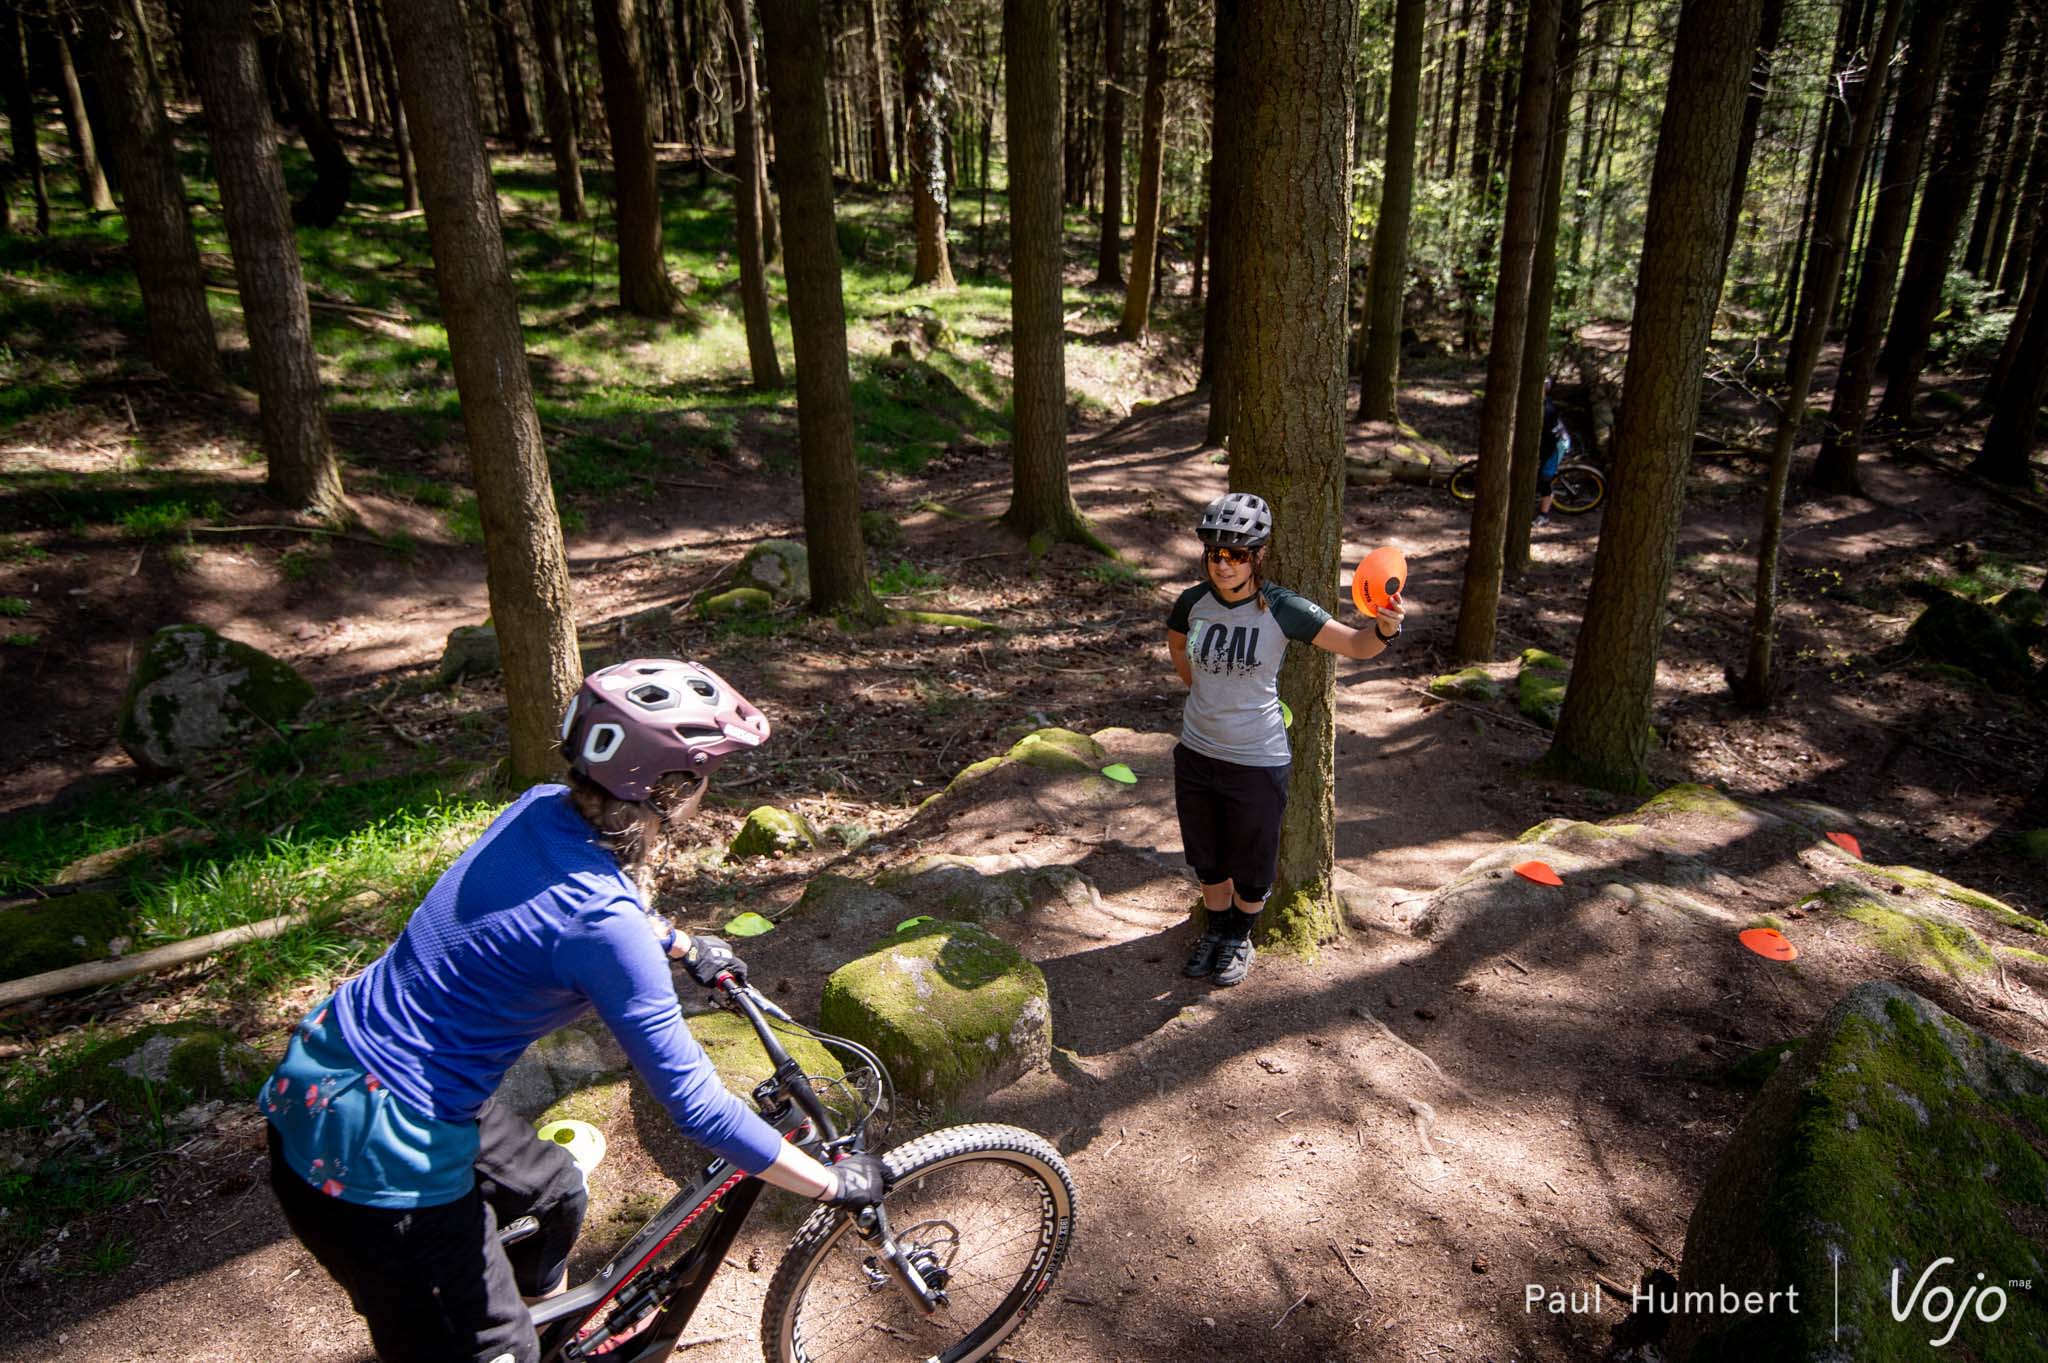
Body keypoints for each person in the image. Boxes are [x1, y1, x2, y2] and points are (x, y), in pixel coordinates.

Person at [256, 659, 888, 1363]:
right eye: (704, 778)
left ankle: (541, 1328)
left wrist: (678, 942)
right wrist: (830, 1182)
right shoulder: (606, 924)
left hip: (328, 1063)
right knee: (494, 1351)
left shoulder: (536, 809)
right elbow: (699, 1109)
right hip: (381, 1153)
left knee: (552, 1196)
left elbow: (555, 902)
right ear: (669, 790)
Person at [1168, 493, 1406, 987]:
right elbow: (1178, 644)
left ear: (1257, 556)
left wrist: (1384, 628)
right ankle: (1216, 931)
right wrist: (1205, 690)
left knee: (1252, 864)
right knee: (1207, 859)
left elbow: (1355, 645)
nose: (1224, 564)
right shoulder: (1192, 603)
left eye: (1236, 554)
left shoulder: (1281, 607)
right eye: (1216, 553)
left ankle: (1239, 936)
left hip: (1257, 759)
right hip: (1195, 752)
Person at [1534, 384, 1572, 526]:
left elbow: (1545, 437)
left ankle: (1544, 515)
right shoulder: (1540, 403)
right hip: (1549, 443)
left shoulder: (1546, 410)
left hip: (1556, 445)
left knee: (1545, 478)